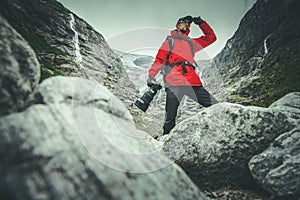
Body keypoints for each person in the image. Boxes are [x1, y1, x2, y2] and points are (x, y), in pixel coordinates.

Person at [147, 15, 218, 135]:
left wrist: (201, 23)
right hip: (173, 82)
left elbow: (211, 38)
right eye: (183, 22)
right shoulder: (169, 42)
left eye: (188, 24)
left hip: (192, 82)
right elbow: (159, 60)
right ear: (177, 25)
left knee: (215, 105)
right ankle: (166, 141)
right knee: (170, 115)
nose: (186, 25)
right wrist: (151, 75)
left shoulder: (191, 43)